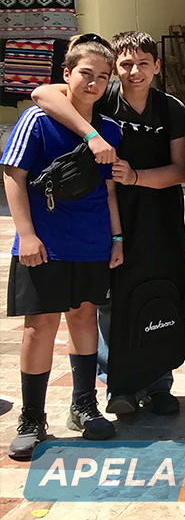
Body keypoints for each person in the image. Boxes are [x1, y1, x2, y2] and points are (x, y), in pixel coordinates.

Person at [30, 31, 185, 417]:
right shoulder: (103, 96)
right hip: (106, 216)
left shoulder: (169, 108)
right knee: (109, 300)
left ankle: (159, 382)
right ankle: (117, 384)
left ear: (157, 66)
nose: (134, 71)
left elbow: (181, 170)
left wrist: (136, 177)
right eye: (125, 64)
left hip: (158, 218)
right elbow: (42, 93)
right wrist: (91, 135)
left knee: (159, 292)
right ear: (115, 68)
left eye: (143, 63)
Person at [3, 34, 123, 459]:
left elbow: (109, 190)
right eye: (86, 73)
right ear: (67, 74)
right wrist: (26, 234)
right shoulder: (37, 120)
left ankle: (84, 406)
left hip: (91, 241)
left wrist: (116, 238)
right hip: (45, 244)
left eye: (103, 77)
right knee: (40, 326)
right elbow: (13, 174)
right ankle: (32, 418)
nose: (94, 83)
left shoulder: (111, 129)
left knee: (85, 317)